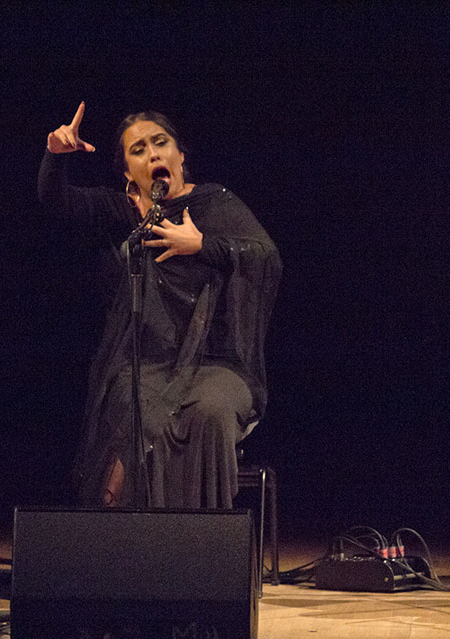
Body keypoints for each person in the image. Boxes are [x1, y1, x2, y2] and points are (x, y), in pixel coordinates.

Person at [39, 102, 282, 510]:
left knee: (210, 411)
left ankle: (200, 538)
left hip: (217, 364)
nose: (152, 154)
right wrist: (54, 156)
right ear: (127, 173)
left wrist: (203, 245)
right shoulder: (124, 212)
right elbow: (56, 200)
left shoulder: (215, 203)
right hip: (148, 364)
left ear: (180, 155)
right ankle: (125, 535)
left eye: (160, 143)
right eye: (138, 150)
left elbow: (265, 257)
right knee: (131, 404)